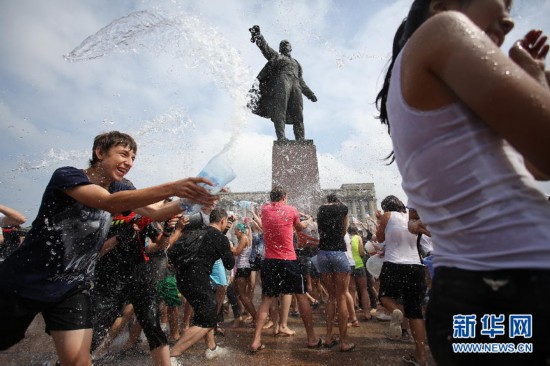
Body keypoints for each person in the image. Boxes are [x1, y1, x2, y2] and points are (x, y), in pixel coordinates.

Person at [376, 1, 550, 364]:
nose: (508, 17)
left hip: (473, 289)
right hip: (520, 284)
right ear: (443, 5)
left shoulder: (411, 80)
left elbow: (537, 169)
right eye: (500, 2)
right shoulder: (444, 29)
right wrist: (533, 75)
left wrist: (534, 79)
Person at [0, 131, 216, 366]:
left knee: (78, 361)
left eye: (133, 158)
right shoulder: (67, 176)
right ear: (99, 152)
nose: (129, 163)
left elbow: (156, 213)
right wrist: (174, 187)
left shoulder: (118, 188)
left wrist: (193, 200)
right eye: (123, 154)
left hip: (71, 287)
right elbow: (108, 203)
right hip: (25, 279)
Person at [249, 186, 321, 353]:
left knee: (267, 300)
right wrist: (309, 221)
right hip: (288, 259)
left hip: (270, 261)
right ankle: (311, 338)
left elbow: (265, 223)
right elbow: (299, 227)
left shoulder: (265, 210)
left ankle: (256, 340)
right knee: (301, 297)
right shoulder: (291, 210)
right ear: (284, 197)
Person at [169, 208, 235, 363]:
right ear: (223, 221)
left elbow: (172, 253)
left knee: (207, 311)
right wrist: (230, 248)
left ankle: (212, 348)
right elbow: (230, 264)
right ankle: (172, 355)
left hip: (182, 278)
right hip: (197, 278)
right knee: (207, 318)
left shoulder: (194, 232)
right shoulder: (220, 238)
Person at [375, 195, 426, 364]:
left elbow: (380, 238)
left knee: (384, 297)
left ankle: (396, 312)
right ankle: (420, 357)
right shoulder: (414, 218)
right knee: (416, 312)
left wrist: (379, 222)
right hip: (416, 265)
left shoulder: (387, 216)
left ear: (386, 208)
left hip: (394, 263)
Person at [248, 25, 317, 141]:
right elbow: (266, 49)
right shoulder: (278, 57)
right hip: (282, 84)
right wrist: (258, 36)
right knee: (280, 110)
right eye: (282, 44)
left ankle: (300, 139)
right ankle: (281, 137)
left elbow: (301, 81)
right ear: (280, 49)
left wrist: (310, 94)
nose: (285, 45)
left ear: (291, 48)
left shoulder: (296, 63)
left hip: (296, 87)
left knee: (298, 113)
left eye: (287, 44)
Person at [315, 193, 355, 352]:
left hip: (322, 254)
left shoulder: (320, 210)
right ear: (337, 200)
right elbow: (343, 231)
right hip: (338, 253)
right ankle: (344, 341)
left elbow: (320, 230)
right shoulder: (343, 208)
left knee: (331, 297)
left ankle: (328, 336)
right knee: (342, 296)